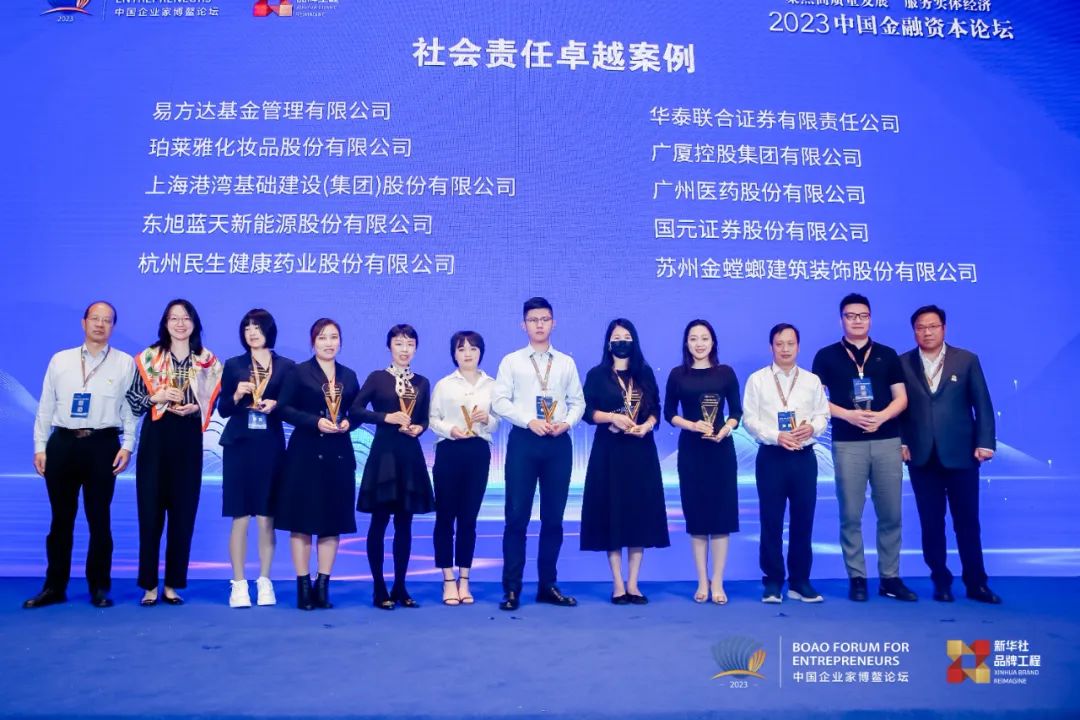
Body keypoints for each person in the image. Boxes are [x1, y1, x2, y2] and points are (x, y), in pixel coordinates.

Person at [25, 301, 136, 609]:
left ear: (113, 326)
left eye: (107, 320)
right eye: (95, 318)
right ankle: (54, 586)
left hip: (103, 444)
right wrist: (39, 446)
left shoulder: (125, 362)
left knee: (100, 519)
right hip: (62, 443)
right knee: (60, 520)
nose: (100, 324)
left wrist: (128, 444)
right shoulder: (60, 360)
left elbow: (129, 408)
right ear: (84, 323)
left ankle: (99, 586)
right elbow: (46, 405)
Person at [811, 293, 916, 602]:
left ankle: (890, 578)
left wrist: (882, 417)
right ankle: (857, 577)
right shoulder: (826, 356)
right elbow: (816, 400)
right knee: (851, 514)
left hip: (887, 440)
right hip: (847, 443)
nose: (857, 321)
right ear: (841, 319)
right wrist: (849, 415)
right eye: (851, 315)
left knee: (891, 513)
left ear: (870, 318)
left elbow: (901, 398)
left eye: (863, 315)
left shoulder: (887, 354)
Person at [900, 305, 1000, 604]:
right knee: (931, 523)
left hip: (962, 455)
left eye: (932, 326)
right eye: (920, 327)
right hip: (921, 456)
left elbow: (982, 404)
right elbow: (898, 409)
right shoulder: (902, 363)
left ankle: (976, 583)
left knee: (967, 521)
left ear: (944, 328)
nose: (927, 332)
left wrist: (985, 442)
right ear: (914, 331)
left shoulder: (966, 360)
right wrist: (901, 442)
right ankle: (940, 581)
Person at [126, 299, 222, 606]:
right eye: (173, 318)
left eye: (186, 318)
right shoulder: (149, 357)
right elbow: (133, 400)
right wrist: (156, 397)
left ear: (194, 323)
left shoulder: (207, 361)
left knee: (183, 513)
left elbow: (214, 404)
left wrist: (197, 408)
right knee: (150, 513)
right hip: (156, 437)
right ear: (165, 323)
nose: (180, 324)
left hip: (188, 438)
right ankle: (149, 585)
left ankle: (172, 584)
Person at [492, 297, 585, 611]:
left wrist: (566, 423)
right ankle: (512, 589)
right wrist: (528, 421)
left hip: (558, 443)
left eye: (545, 319)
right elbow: (499, 401)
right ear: (524, 325)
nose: (539, 324)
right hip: (524, 441)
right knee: (516, 517)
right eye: (533, 320)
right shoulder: (512, 361)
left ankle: (548, 585)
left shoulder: (566, 362)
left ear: (553, 323)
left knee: (553, 519)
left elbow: (578, 402)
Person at [580, 319, 669, 605]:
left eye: (627, 336)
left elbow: (656, 408)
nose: (622, 341)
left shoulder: (644, 373)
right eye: (617, 337)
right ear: (609, 343)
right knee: (613, 514)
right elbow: (586, 411)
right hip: (609, 452)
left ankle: (634, 583)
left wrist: (647, 425)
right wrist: (611, 418)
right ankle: (618, 583)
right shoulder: (597, 375)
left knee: (637, 515)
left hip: (641, 452)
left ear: (634, 341)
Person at [274, 318, 360, 610]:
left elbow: (357, 411)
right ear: (313, 342)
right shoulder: (298, 372)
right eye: (322, 337)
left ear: (341, 342)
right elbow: (283, 409)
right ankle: (303, 586)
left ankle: (322, 587)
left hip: (338, 455)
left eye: (334, 337)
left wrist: (349, 422)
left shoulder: (349, 375)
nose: (328, 343)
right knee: (301, 522)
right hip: (305, 456)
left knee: (331, 522)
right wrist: (314, 422)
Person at [742, 324, 830, 603]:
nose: (785, 349)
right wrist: (776, 435)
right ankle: (773, 580)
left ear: (798, 347)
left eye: (790, 343)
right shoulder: (757, 380)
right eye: (779, 344)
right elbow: (750, 419)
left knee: (803, 520)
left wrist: (812, 428)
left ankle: (800, 581)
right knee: (771, 520)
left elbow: (823, 414)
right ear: (771, 347)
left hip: (803, 457)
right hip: (772, 456)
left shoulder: (811, 380)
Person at [216, 309, 294, 608]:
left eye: (258, 327)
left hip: (270, 446)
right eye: (247, 327)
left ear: (269, 331)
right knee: (240, 516)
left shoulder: (286, 366)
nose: (252, 332)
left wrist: (276, 404)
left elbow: (292, 406)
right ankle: (238, 583)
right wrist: (236, 395)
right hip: (239, 444)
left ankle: (264, 580)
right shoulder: (234, 365)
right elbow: (223, 408)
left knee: (265, 517)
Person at [353, 324, 434, 609]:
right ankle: (379, 588)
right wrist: (386, 417)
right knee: (379, 522)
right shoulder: (377, 377)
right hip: (383, 457)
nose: (404, 349)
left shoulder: (422, 382)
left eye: (410, 344)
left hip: (409, 456)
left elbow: (424, 418)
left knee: (405, 524)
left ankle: (400, 585)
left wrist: (420, 428)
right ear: (389, 346)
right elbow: (355, 409)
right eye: (399, 343)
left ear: (416, 348)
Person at [664, 319, 741, 604]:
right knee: (696, 519)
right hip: (692, 451)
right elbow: (669, 413)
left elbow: (736, 411)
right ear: (686, 343)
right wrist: (692, 425)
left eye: (704, 338)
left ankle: (718, 581)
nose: (699, 343)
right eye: (694, 338)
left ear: (713, 342)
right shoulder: (677, 375)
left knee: (721, 519)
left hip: (721, 450)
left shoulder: (726, 373)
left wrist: (726, 428)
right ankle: (701, 581)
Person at [428, 331, 498, 606]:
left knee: (469, 518)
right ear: (454, 354)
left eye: (473, 348)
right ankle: (448, 579)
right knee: (445, 516)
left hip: (478, 451)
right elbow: (433, 419)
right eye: (461, 349)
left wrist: (487, 419)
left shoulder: (492, 385)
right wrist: (450, 430)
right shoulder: (444, 385)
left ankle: (465, 580)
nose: (467, 353)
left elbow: (498, 421)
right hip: (449, 450)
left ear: (481, 352)